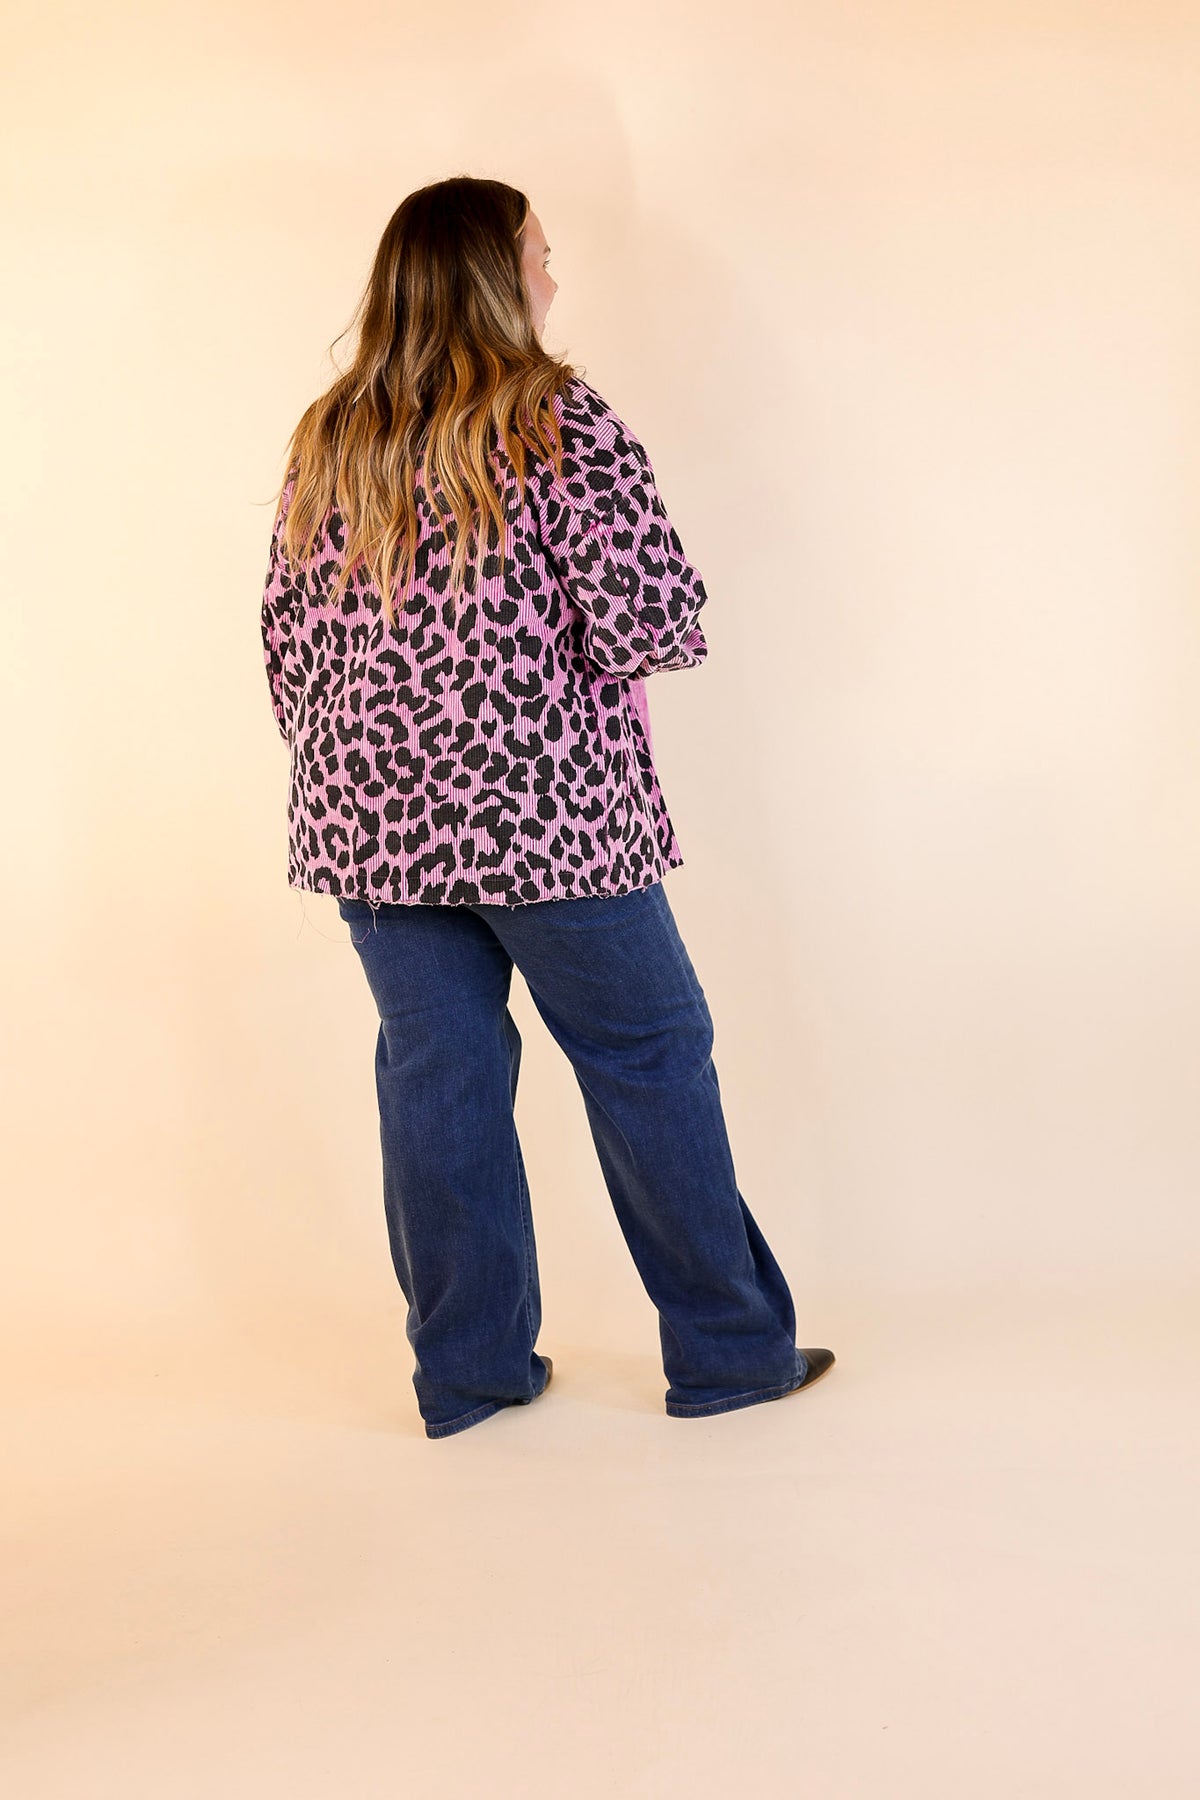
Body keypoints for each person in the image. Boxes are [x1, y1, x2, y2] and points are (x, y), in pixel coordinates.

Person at [260, 176, 835, 1439]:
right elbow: (650, 619)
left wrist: (372, 754)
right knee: (649, 1057)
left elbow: (287, 647)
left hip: (370, 820)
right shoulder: (553, 419)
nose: (554, 276)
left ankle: (468, 1377)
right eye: (538, 254)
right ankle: (731, 1352)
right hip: (546, 818)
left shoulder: (330, 435)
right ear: (492, 276)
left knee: (440, 1079)